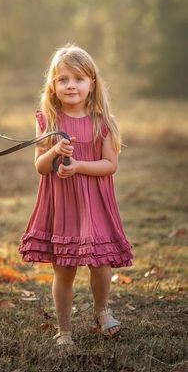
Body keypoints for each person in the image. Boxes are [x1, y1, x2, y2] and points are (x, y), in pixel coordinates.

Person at [19, 44, 133, 346]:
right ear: (53, 86)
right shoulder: (47, 121)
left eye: (79, 79)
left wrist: (79, 165)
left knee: (100, 263)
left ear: (91, 84)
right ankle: (64, 330)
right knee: (64, 268)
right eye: (64, 79)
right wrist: (55, 150)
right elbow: (41, 167)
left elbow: (110, 165)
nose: (71, 85)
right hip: (63, 206)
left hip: (95, 204)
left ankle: (102, 311)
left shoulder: (103, 122)